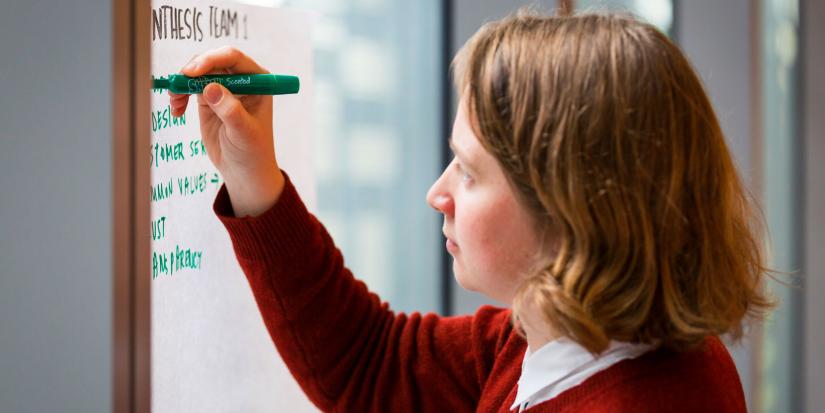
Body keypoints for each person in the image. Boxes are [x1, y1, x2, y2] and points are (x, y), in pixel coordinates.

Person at [168, 10, 772, 412]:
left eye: (469, 169)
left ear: (573, 208)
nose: (438, 192)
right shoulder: (556, 338)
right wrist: (255, 180)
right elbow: (370, 364)